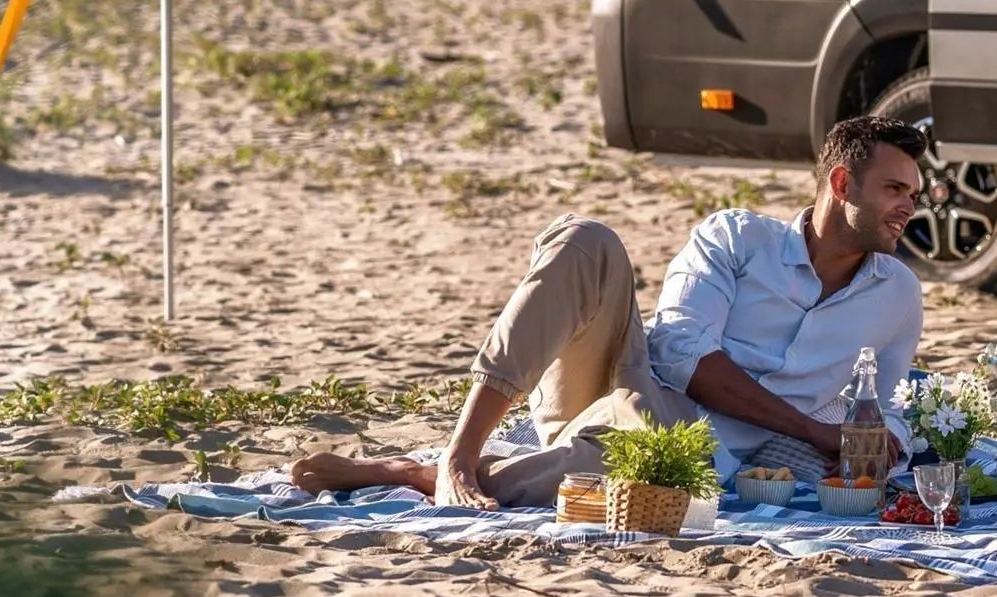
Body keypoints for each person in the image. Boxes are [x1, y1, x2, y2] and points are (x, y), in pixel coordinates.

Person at [292, 116, 925, 509]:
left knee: (640, 467)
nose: (909, 207)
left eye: (916, 194)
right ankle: (458, 458)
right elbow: (680, 356)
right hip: (628, 387)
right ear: (841, 185)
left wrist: (881, 444)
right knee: (586, 240)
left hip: (715, 457)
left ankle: (409, 473)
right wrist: (817, 432)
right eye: (895, 189)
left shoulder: (897, 295)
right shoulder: (736, 239)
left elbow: (884, 403)